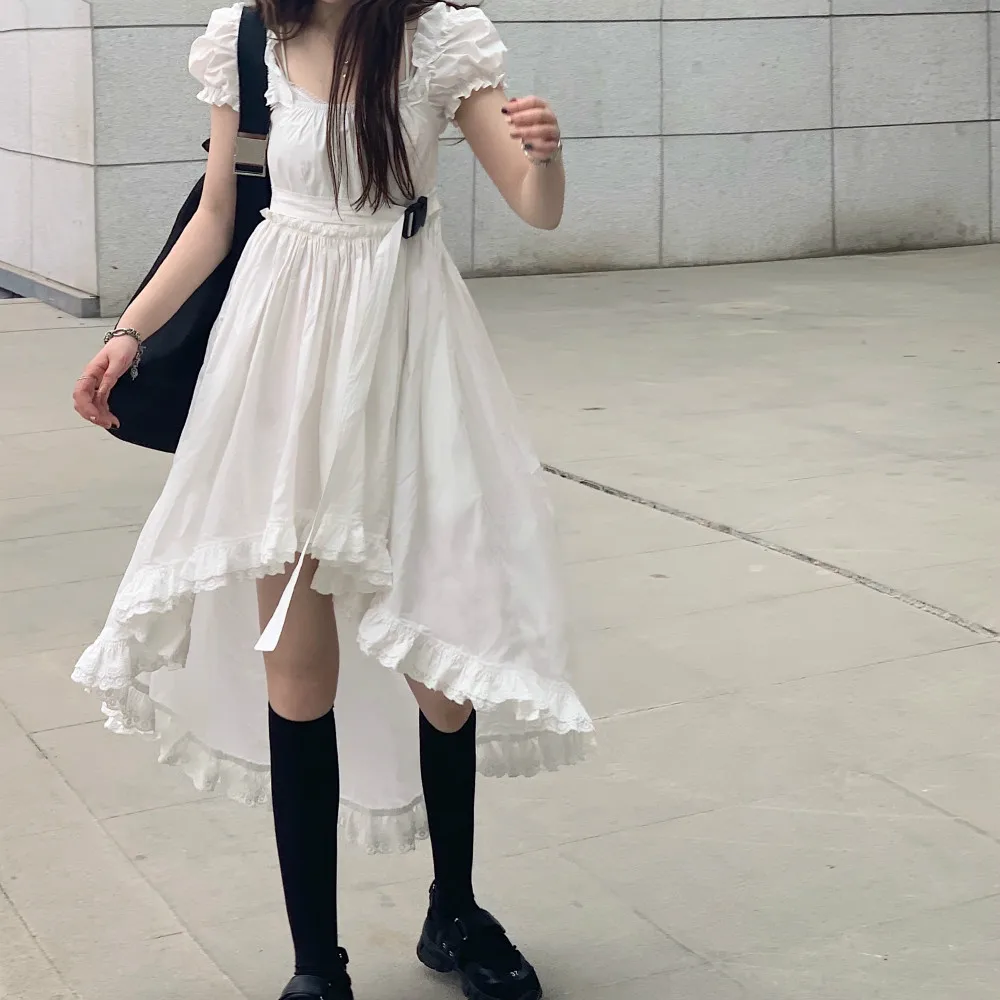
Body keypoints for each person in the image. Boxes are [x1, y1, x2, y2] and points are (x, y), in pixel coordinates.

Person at [71, 2, 594, 999]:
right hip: (282, 361)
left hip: (408, 354)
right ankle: (317, 964)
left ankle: (454, 910)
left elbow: (535, 204)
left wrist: (548, 153)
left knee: (443, 662)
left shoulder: (439, 37)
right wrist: (129, 333)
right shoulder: (248, 36)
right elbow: (217, 218)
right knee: (296, 668)